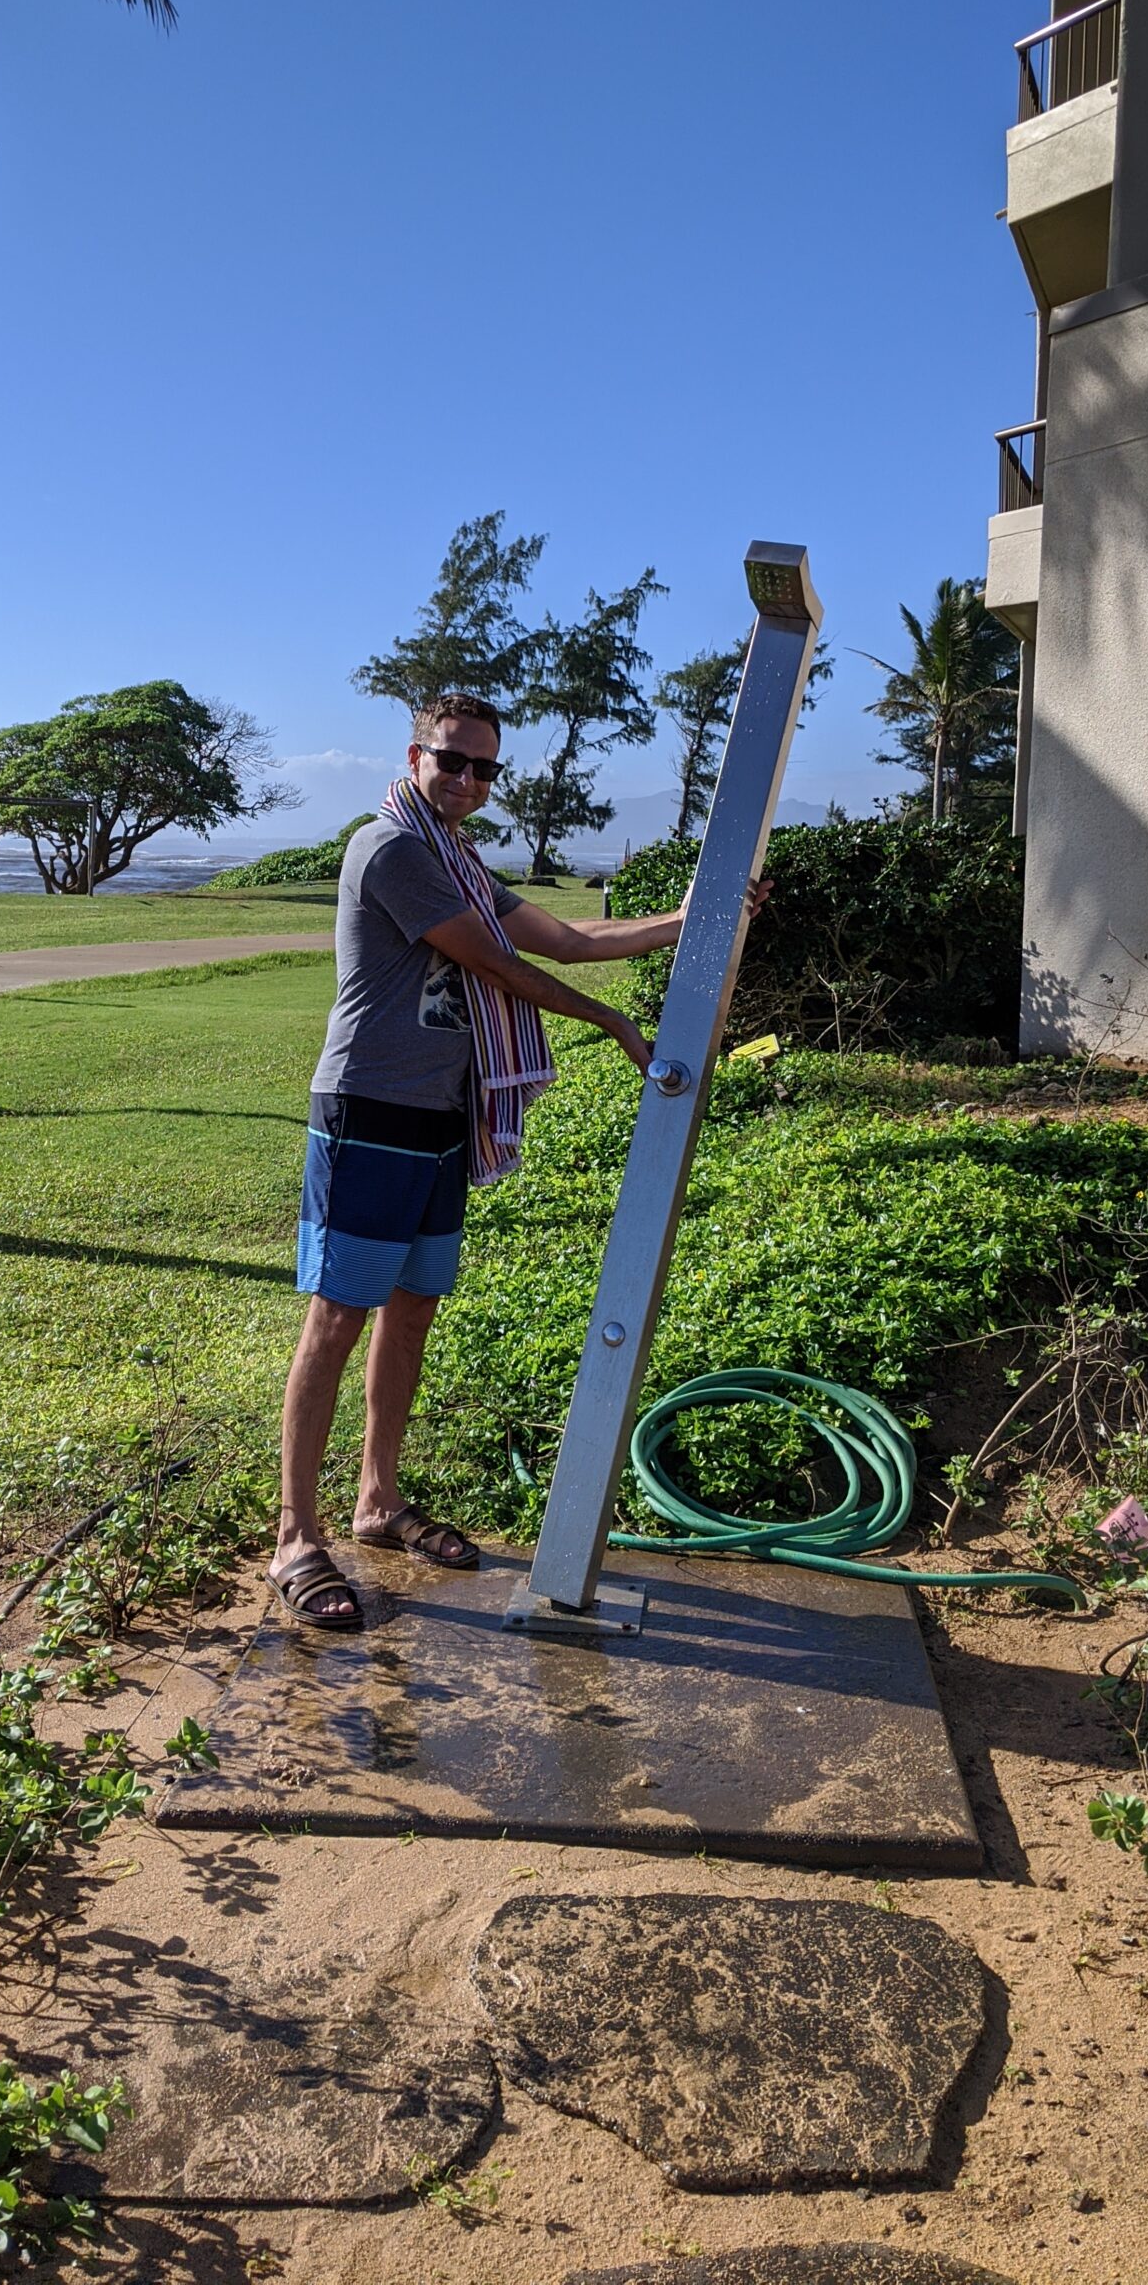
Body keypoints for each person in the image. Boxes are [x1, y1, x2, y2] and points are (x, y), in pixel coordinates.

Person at [270, 688, 761, 1627]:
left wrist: (689, 918)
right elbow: (496, 966)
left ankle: (376, 1501)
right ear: (415, 758)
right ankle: (297, 1534)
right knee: (337, 1318)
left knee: (410, 1311)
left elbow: (567, 940)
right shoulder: (394, 851)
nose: (464, 779)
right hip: (369, 1106)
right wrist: (613, 1020)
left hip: (440, 1115)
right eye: (449, 759)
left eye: (482, 767)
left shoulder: (462, 865)